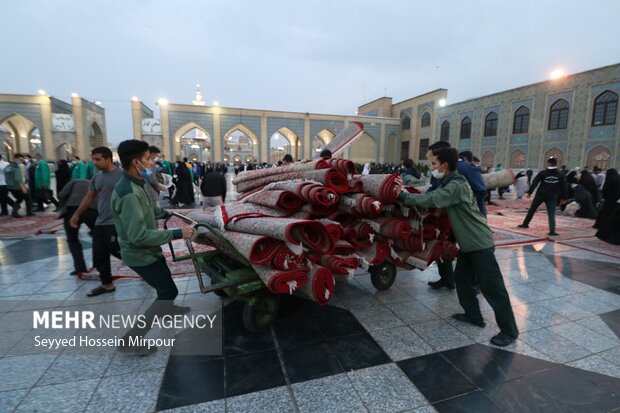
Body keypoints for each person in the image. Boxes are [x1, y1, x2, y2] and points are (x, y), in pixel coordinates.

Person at [397, 147, 519, 347]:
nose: (432, 168)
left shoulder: (455, 186)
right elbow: (434, 195)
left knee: (493, 288)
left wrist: (403, 197)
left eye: (434, 164)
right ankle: (473, 316)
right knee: (462, 279)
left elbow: (431, 199)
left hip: (479, 243)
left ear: (445, 165)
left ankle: (509, 331)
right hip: (469, 244)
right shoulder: (451, 182)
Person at [111, 139, 195, 355]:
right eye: (148, 158)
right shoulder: (128, 193)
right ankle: (131, 339)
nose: (152, 162)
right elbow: (138, 235)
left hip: (149, 251)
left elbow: (147, 210)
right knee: (168, 290)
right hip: (140, 253)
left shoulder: (136, 184)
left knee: (164, 283)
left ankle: (167, 310)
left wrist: (164, 213)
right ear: (136, 162)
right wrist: (178, 233)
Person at [70, 147, 123, 297]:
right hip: (101, 222)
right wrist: (77, 214)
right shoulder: (96, 177)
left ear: (108, 159)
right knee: (99, 255)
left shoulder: (122, 175)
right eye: (93, 159)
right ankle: (107, 284)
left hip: (117, 222)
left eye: (98, 159)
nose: (94, 162)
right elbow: (89, 197)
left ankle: (148, 270)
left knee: (118, 251)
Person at [518, 157, 566, 236]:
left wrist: (530, 192)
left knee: (532, 210)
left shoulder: (543, 173)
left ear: (548, 163)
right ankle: (552, 231)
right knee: (551, 213)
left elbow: (535, 182)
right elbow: (564, 187)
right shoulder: (561, 175)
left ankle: (525, 224)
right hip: (552, 196)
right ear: (556, 163)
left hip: (540, 195)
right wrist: (564, 197)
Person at [58, 179, 97, 275]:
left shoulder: (74, 181)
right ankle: (98, 265)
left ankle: (80, 268)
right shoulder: (95, 183)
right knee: (98, 238)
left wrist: (64, 207)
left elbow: (62, 194)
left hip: (72, 209)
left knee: (72, 240)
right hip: (91, 210)